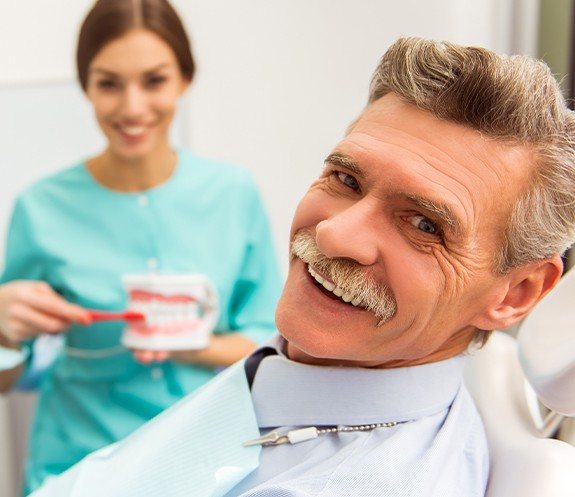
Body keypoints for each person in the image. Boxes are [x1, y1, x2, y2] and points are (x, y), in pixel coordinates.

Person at [29, 37, 575, 497]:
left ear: (518, 292)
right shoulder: (306, 367)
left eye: (424, 226)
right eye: (346, 180)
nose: (335, 233)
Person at [0, 0, 281, 494]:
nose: (131, 108)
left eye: (153, 81)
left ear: (185, 79)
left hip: (206, 466)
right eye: (109, 83)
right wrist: (2, 332)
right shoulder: (40, 208)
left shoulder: (233, 194)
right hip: (76, 468)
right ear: (86, 85)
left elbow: (270, 343)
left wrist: (200, 346)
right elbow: (6, 378)